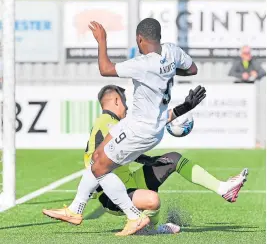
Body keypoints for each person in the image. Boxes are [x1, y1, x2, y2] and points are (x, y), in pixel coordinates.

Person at [43, 18, 247, 236]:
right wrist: (165, 72)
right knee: (98, 158)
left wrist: (102, 41)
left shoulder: (142, 64)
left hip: (140, 129)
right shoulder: (173, 52)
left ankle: (132, 216)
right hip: (142, 124)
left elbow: (105, 69)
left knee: (99, 168)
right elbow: (192, 69)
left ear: (139, 39)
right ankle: (76, 209)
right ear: (159, 37)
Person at [43, 84, 248, 234]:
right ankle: (151, 226)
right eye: (124, 102)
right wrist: (87, 198)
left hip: (130, 180)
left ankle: (223, 188)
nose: (127, 107)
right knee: (153, 200)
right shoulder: (106, 122)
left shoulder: (116, 123)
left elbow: (121, 150)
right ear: (115, 101)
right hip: (113, 196)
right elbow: (97, 163)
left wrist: (148, 161)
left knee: (173, 159)